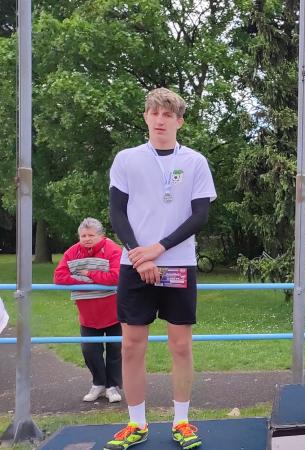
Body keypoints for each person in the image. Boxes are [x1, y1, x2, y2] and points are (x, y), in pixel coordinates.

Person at [104, 87, 216, 450]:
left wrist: (159, 248)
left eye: (168, 114)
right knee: (131, 345)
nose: (160, 120)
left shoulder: (195, 161)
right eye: (154, 113)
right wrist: (140, 255)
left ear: (179, 121)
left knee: (180, 345)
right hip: (134, 264)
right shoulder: (126, 159)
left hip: (178, 264)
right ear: (146, 117)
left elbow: (200, 215)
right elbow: (117, 212)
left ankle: (181, 421)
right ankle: (136, 423)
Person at [53, 218, 123, 403]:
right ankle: (99, 383)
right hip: (88, 314)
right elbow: (59, 277)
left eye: (91, 235)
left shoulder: (113, 250)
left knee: (115, 350)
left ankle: (112, 387)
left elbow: (117, 276)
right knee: (90, 351)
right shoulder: (73, 252)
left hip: (114, 312)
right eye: (83, 236)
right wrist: (91, 280)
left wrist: (89, 273)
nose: (86, 239)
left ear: (101, 236)